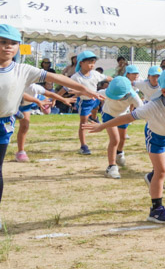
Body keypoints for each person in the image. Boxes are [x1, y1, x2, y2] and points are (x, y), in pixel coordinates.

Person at [1, 25, 101, 228]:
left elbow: (57, 79)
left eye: (12, 43)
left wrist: (84, 89)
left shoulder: (23, 70)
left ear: (18, 47)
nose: (7, 47)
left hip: (4, 124)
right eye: (3, 42)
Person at [84, 68, 165, 223]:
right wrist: (102, 126)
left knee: (159, 170)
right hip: (155, 136)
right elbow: (129, 117)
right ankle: (156, 210)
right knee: (161, 170)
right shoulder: (153, 106)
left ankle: (152, 176)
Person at [95, 76, 143, 178]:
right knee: (114, 139)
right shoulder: (106, 92)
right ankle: (111, 166)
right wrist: (80, 92)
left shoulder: (133, 96)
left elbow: (142, 110)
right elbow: (92, 93)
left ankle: (119, 153)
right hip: (109, 115)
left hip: (123, 117)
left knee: (122, 138)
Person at [13, 83, 74, 162]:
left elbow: (50, 93)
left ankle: (21, 151)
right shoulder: (16, 83)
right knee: (6, 128)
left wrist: (63, 99)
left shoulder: (34, 87)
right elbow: (23, 95)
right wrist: (38, 101)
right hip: (11, 104)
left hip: (26, 105)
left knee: (25, 126)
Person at [70, 50, 112, 155]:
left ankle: (93, 117)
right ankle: (83, 146)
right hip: (84, 102)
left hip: (95, 98)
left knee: (96, 109)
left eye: (93, 62)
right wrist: (82, 92)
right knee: (83, 124)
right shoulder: (76, 77)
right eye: (89, 62)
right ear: (81, 63)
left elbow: (107, 78)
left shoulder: (95, 74)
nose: (92, 65)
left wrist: (118, 81)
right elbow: (70, 90)